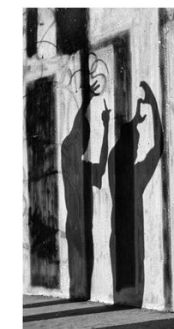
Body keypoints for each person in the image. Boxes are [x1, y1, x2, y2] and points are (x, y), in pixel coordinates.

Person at [108, 81, 163, 306]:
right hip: (130, 234)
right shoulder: (136, 174)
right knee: (133, 296)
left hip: (117, 232)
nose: (139, 149)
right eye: (137, 145)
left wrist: (136, 121)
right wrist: (153, 106)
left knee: (121, 292)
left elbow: (123, 140)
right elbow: (158, 146)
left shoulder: (114, 163)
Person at [61, 80, 110, 300]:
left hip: (77, 225)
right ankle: (78, 294)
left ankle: (78, 294)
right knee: (79, 266)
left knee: (79, 268)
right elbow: (76, 129)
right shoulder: (71, 158)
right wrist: (88, 101)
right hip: (78, 225)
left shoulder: (76, 163)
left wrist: (107, 129)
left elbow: (100, 166)